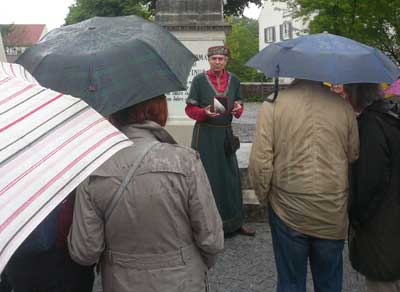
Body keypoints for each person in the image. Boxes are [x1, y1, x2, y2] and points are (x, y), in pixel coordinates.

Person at [68, 94, 223, 292]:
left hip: (121, 281)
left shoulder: (94, 171)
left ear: (113, 114)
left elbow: (85, 251)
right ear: (159, 110)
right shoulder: (184, 161)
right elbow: (212, 239)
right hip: (183, 280)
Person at [249, 79, 359, 292]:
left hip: (287, 207)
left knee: (290, 282)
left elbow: (260, 161)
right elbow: (353, 153)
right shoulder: (343, 106)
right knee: (329, 282)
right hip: (331, 208)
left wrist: (264, 196)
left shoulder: (273, 105)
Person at [185, 45, 255, 236]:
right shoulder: (199, 80)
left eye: (221, 59)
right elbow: (189, 109)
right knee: (207, 177)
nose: (217, 61)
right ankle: (205, 226)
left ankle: (234, 222)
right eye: (214, 58)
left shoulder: (234, 80)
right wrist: (203, 112)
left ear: (226, 61)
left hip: (225, 133)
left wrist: (237, 109)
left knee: (230, 177)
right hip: (205, 135)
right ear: (208, 60)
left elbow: (239, 103)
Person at [343, 83, 400, 292]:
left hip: (381, 230)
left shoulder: (370, 126)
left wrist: (356, 217)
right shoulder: (391, 116)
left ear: (357, 95)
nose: (346, 98)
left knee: (382, 282)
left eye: (348, 93)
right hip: (392, 221)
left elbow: (369, 183)